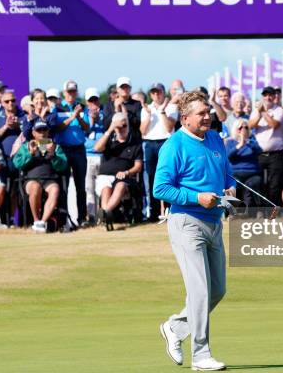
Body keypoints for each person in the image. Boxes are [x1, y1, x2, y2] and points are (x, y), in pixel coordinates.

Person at [154, 91, 234, 372]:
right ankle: (201, 355)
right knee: (199, 291)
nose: (207, 116)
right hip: (187, 222)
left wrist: (229, 187)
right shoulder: (174, 145)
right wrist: (196, 197)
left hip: (214, 222)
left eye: (208, 112)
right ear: (185, 119)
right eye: (201, 113)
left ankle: (174, 328)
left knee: (218, 290)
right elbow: (160, 189)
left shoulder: (214, 138)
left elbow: (225, 171)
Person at [13, 121, 68, 233]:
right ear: (34, 133)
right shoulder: (26, 146)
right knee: (35, 187)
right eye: (39, 130)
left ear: (48, 131)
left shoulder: (55, 146)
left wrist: (52, 154)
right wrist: (30, 154)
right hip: (31, 179)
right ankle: (36, 220)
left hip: (50, 179)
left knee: (55, 189)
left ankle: (42, 222)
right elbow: (17, 163)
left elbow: (62, 166)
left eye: (44, 130)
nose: (42, 133)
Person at [93, 112, 143, 230]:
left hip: (124, 177)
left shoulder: (135, 144)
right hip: (105, 175)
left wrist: (126, 172)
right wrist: (110, 130)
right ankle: (106, 216)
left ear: (128, 126)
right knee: (106, 189)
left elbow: (138, 166)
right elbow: (97, 148)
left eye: (124, 126)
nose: (121, 129)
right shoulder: (109, 141)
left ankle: (104, 214)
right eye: (118, 127)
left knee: (120, 185)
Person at [48, 86, 89, 228]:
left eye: (74, 91)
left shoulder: (81, 107)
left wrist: (78, 116)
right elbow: (56, 128)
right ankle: (65, 219)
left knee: (80, 186)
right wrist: (72, 116)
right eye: (69, 91)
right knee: (64, 185)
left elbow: (86, 127)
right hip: (64, 150)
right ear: (64, 93)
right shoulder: (57, 109)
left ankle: (82, 218)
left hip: (79, 150)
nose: (71, 94)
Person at [140, 82, 178, 222]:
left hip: (166, 142)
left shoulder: (172, 107)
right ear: (151, 94)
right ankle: (154, 212)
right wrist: (150, 115)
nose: (156, 95)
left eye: (159, 92)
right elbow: (143, 131)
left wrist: (162, 111)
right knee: (151, 178)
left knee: (168, 176)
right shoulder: (146, 109)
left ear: (163, 92)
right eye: (153, 92)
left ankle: (170, 210)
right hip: (150, 143)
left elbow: (169, 127)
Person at [249, 86, 283, 207]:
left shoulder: (279, 110)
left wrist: (264, 112)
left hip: (275, 154)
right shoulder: (256, 111)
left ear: (274, 96)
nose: (268, 97)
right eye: (265, 95)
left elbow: (274, 124)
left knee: (274, 184)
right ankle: (261, 209)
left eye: (270, 95)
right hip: (260, 154)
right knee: (259, 183)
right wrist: (259, 114)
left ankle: (272, 211)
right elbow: (250, 125)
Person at [226, 118, 263, 208]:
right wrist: (239, 145)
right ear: (235, 129)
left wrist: (249, 143)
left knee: (254, 184)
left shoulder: (252, 141)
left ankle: (251, 211)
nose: (243, 129)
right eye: (240, 128)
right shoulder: (230, 142)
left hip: (252, 173)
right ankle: (233, 211)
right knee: (233, 186)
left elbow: (260, 151)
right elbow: (228, 156)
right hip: (235, 172)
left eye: (246, 127)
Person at [84, 88, 105, 224]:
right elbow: (85, 131)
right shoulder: (83, 116)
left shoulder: (104, 115)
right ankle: (91, 216)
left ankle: (102, 216)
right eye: (91, 101)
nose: (94, 104)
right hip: (88, 155)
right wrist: (91, 120)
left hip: (103, 156)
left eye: (95, 100)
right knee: (89, 188)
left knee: (102, 188)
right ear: (87, 103)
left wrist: (98, 119)